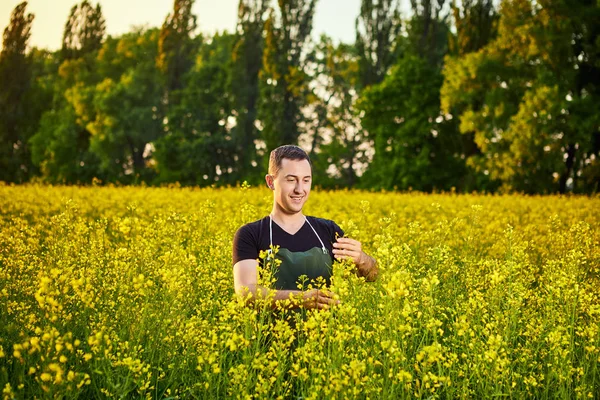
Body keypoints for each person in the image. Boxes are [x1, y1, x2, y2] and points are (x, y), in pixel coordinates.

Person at [232, 145, 378, 310]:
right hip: (272, 336)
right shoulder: (251, 234)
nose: (299, 189)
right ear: (271, 182)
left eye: (306, 180)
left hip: (325, 335)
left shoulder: (328, 231)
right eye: (291, 180)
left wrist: (362, 260)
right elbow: (245, 292)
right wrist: (300, 299)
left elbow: (372, 276)